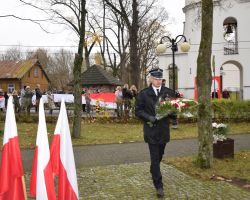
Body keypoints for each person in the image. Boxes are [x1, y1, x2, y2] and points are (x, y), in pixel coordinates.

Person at [135, 68, 176, 198]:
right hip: (151, 129)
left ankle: (154, 169)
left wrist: (173, 113)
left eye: (160, 79)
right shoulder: (143, 94)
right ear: (151, 79)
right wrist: (149, 118)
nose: (159, 81)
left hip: (163, 130)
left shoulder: (168, 93)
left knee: (159, 155)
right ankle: (159, 186)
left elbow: (174, 110)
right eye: (156, 79)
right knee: (154, 156)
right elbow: (138, 111)